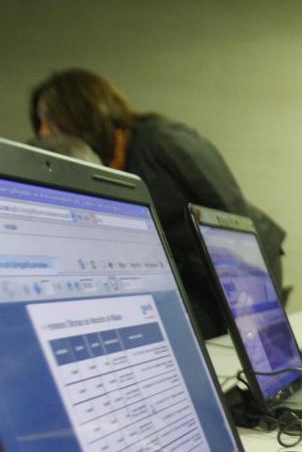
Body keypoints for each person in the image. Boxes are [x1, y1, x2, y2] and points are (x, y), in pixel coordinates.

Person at [29, 68, 286, 338]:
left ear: (83, 110)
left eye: (49, 119)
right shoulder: (102, 164)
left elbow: (231, 213)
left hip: (247, 259)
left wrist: (250, 302)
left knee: (248, 341)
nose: (43, 132)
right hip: (195, 273)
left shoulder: (164, 140)